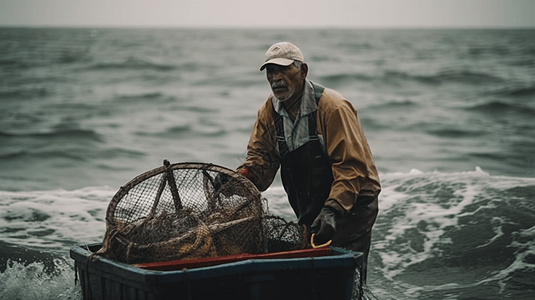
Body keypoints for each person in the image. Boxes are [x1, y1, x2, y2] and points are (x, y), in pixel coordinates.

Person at [236, 42, 381, 282]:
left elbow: (351, 169)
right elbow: (262, 161)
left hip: (353, 207)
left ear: (303, 71)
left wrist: (333, 210)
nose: (276, 78)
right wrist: (242, 176)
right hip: (311, 208)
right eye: (270, 71)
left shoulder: (332, 108)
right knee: (313, 278)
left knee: (345, 278)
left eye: (283, 70)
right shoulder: (268, 113)